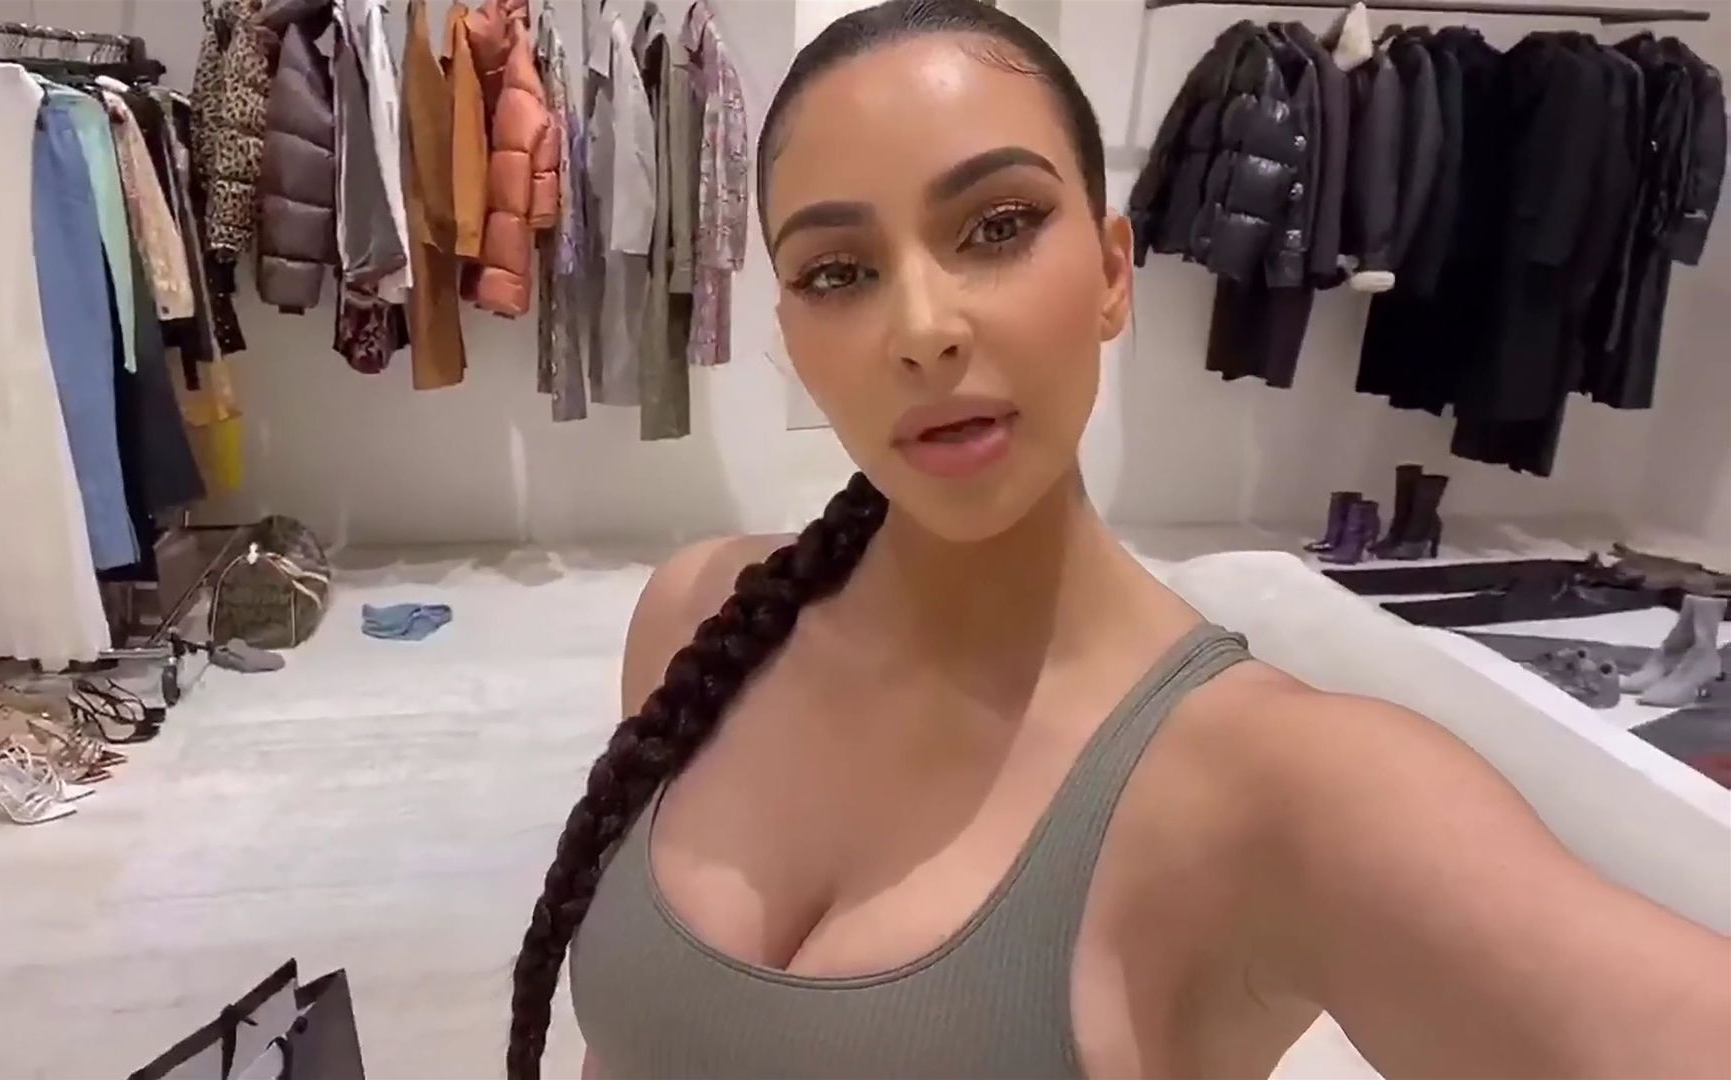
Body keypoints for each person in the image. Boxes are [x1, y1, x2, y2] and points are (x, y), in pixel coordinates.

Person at [506, 2, 1731, 1076]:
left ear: (1109, 274)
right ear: (790, 334)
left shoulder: (1284, 789)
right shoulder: (697, 616)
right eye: (838, 272)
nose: (922, 328)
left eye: (996, 226)